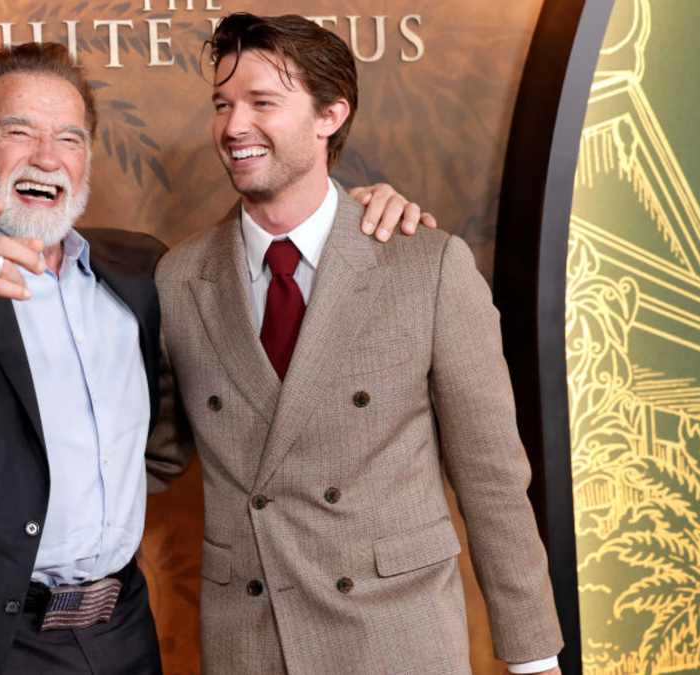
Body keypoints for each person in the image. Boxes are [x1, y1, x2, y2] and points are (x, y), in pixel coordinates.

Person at [0, 41, 424, 675]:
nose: (47, 156)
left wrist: (345, 215)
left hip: (120, 634)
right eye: (19, 132)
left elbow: (257, 255)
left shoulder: (140, 269)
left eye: (70, 138)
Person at [148, 13, 564, 675]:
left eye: (262, 103)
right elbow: (149, 454)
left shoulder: (426, 266)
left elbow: (491, 481)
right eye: (222, 104)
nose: (233, 126)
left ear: (330, 115)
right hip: (250, 645)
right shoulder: (179, 278)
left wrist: (534, 660)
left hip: (397, 639)